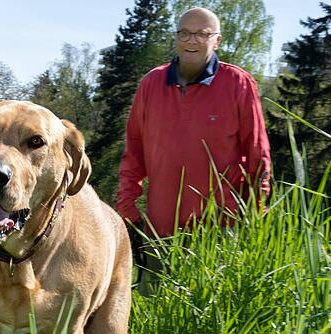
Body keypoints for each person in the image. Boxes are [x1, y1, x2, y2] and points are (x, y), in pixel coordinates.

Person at [116, 7, 272, 290]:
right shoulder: (151, 83)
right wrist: (127, 204)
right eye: (185, 33)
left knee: (214, 312)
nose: (192, 40)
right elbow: (134, 151)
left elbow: (258, 154)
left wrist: (255, 211)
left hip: (220, 229)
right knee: (156, 308)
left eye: (202, 34)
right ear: (176, 37)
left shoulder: (238, 83)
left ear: (217, 40)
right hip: (161, 228)